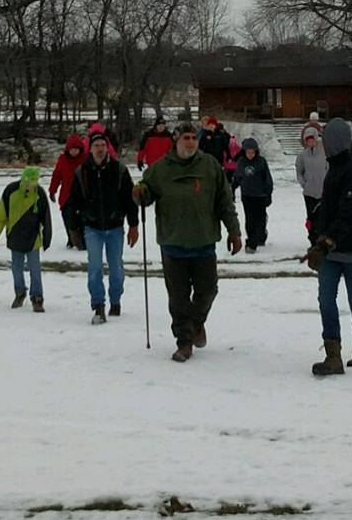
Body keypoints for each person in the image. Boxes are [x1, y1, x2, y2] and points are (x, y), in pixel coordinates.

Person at [134, 123, 242, 362]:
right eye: (186, 138)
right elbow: (147, 193)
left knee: (208, 291)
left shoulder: (210, 166)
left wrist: (234, 231)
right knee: (178, 298)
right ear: (176, 140)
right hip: (173, 244)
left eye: (194, 137)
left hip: (204, 242)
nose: (191, 142)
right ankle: (184, 342)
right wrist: (140, 193)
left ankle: (196, 324)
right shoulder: (160, 169)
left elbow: (225, 201)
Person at [304, 117, 352, 376]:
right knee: (326, 299)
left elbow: (348, 214)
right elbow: (331, 209)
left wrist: (324, 244)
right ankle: (333, 355)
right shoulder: (332, 169)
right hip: (330, 250)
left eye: (326, 140)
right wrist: (316, 232)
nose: (323, 144)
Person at [66, 135, 139, 323]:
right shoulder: (81, 171)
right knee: (95, 267)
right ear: (90, 149)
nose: (100, 149)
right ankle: (98, 304)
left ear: (108, 149)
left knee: (116, 268)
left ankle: (116, 299)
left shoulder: (119, 170)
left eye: (103, 146)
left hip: (115, 226)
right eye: (96, 146)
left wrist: (133, 224)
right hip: (92, 227)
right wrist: (74, 226)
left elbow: (129, 199)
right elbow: (73, 200)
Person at [0, 165, 54, 312]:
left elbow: (46, 219)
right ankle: (20, 293)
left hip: (33, 240)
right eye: (29, 182)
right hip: (15, 238)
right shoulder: (10, 191)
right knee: (16, 269)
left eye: (34, 182)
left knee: (35, 269)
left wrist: (46, 239)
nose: (31, 186)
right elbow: (0, 217)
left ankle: (37, 297)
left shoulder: (40, 194)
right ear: (23, 180)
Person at [232, 136, 274, 252]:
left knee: (260, 218)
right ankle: (251, 242)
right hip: (247, 195)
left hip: (260, 195)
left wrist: (268, 194)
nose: (251, 155)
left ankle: (261, 236)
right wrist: (233, 189)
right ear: (244, 152)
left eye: (253, 152)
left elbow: (267, 179)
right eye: (248, 152)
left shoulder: (261, 162)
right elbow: (237, 177)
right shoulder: (241, 162)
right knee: (250, 219)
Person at [47, 134, 88, 229]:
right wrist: (52, 190)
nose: (74, 151)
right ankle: (71, 238)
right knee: (68, 218)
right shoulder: (63, 160)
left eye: (76, 149)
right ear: (68, 149)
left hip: (83, 195)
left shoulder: (86, 159)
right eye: (72, 149)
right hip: (67, 195)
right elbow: (56, 176)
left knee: (83, 220)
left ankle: (81, 240)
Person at [294, 123, 326, 237]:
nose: (310, 142)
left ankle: (322, 237)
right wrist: (304, 184)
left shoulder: (324, 154)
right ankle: (312, 237)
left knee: (323, 215)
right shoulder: (302, 156)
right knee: (311, 216)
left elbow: (329, 169)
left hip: (323, 191)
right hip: (309, 193)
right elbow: (299, 172)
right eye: (308, 140)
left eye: (312, 139)